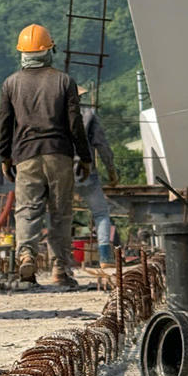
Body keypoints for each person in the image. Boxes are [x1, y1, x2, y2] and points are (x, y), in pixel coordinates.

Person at [0, 23, 92, 288]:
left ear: (22, 53)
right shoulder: (64, 81)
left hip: (26, 156)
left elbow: (5, 124)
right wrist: (85, 158)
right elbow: (75, 124)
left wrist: (5, 157)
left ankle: (27, 256)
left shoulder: (10, 84)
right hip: (60, 155)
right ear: (49, 50)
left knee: (27, 211)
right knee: (60, 213)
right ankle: (60, 270)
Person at [76, 87, 118, 266]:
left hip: (60, 174)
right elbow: (102, 146)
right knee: (101, 213)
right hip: (86, 172)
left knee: (59, 216)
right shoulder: (88, 114)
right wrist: (111, 171)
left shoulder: (53, 114)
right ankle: (105, 257)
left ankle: (59, 263)